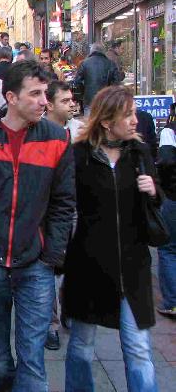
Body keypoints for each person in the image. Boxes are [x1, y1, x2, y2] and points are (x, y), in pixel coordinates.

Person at [0, 61, 75, 392]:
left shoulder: (57, 139)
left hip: (35, 265)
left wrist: (52, 255)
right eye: (35, 94)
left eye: (45, 94)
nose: (43, 102)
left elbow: (65, 203)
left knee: (32, 358)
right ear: (11, 97)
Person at [63, 86, 160, 392]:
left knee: (139, 348)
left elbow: (156, 200)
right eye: (127, 114)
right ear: (106, 121)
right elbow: (63, 203)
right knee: (82, 347)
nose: (135, 120)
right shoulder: (80, 155)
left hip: (133, 267)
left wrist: (153, 190)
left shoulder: (139, 153)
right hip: (89, 265)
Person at [43, 80, 83, 351]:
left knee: (72, 264)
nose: (72, 105)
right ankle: (51, 323)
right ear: (49, 104)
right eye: (65, 101)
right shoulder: (40, 132)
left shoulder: (81, 132)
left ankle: (69, 305)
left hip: (76, 208)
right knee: (48, 267)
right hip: (47, 209)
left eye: (73, 100)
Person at [157, 103, 176, 316]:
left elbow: (166, 161)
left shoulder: (170, 131)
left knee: (169, 248)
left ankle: (172, 301)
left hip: (173, 197)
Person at [73, 42, 123, 116]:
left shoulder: (84, 63)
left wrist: (83, 94)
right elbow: (116, 83)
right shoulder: (110, 63)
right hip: (106, 100)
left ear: (91, 51)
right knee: (104, 123)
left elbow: (77, 82)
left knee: (89, 124)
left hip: (89, 100)